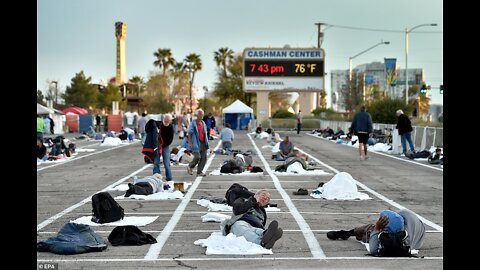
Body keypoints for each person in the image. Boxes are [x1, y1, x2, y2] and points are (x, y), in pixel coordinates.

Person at [326, 209, 425, 256]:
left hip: (417, 232)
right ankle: (347, 233)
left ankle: (349, 233)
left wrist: (377, 229)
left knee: (372, 230)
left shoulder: (403, 240)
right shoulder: (399, 219)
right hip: (413, 221)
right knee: (373, 227)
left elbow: (373, 250)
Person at [186, 109, 209, 177]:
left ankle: (199, 171)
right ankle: (190, 166)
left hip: (203, 142)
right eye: (200, 114)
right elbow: (189, 133)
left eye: (202, 114)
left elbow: (205, 133)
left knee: (204, 158)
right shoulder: (193, 123)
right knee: (197, 157)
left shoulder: (203, 123)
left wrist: (207, 142)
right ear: (197, 115)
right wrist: (190, 143)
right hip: (196, 142)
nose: (202, 116)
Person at [153, 114, 174, 184]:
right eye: (167, 119)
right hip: (158, 145)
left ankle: (169, 177)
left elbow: (171, 138)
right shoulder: (159, 125)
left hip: (165, 145)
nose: (169, 121)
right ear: (165, 119)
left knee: (167, 162)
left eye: (169, 120)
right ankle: (156, 176)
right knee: (156, 162)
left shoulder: (170, 127)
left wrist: (165, 144)